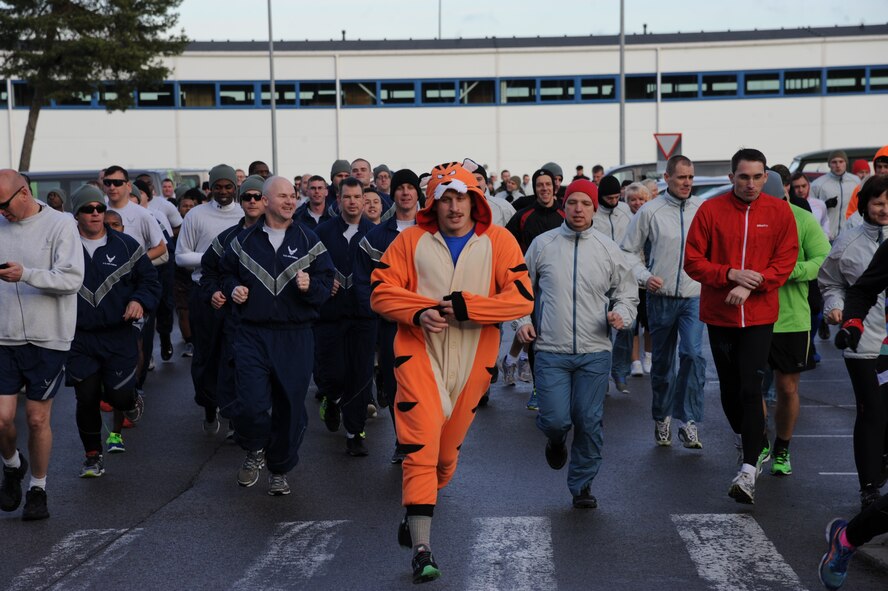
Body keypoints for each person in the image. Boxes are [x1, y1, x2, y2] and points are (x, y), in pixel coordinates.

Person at [370, 162, 533, 584]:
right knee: (420, 445)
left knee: (444, 458)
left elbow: (521, 299)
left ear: (475, 200)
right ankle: (422, 547)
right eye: (446, 198)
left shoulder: (499, 241)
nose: (455, 206)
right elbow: (381, 291)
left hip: (473, 361)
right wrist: (419, 311)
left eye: (462, 197)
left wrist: (468, 307)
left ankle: (417, 509)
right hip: (417, 354)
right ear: (434, 203)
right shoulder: (411, 241)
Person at [684, 148, 798, 505]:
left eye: (757, 176)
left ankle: (749, 469)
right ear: (731, 177)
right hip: (720, 315)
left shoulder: (779, 211)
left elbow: (786, 258)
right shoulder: (711, 210)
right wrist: (729, 274)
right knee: (731, 393)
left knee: (752, 387)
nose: (751, 184)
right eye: (744, 177)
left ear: (766, 177)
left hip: (760, 316)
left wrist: (752, 282)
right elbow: (693, 261)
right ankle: (753, 440)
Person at [517, 179, 637, 508]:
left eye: (586, 203)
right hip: (550, 351)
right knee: (556, 420)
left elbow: (627, 294)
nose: (579, 209)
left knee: (588, 419)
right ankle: (556, 441)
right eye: (573, 203)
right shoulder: (543, 245)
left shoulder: (608, 249)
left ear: (594, 208)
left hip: (595, 351)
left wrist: (621, 315)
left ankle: (582, 484)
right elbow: (521, 290)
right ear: (564, 206)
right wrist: (523, 322)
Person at [220, 176, 333, 496]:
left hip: (295, 335)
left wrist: (312, 287)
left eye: (292, 195)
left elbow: (327, 282)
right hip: (252, 334)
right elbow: (224, 273)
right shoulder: (243, 242)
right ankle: (255, 447)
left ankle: (280, 467)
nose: (289, 200)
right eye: (282, 195)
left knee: (291, 408)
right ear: (266, 201)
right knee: (251, 404)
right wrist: (232, 289)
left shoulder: (310, 241)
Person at [0, 170, 84, 520]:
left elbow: (72, 279)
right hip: (3, 336)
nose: (1, 212)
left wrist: (27, 274)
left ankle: (38, 488)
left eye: (3, 205)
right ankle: (11, 465)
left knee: (36, 419)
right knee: (2, 419)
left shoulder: (61, 224)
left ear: (23, 193)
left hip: (48, 338)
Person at [67, 185, 160, 476]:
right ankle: (92, 456)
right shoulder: (63, 246)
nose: (95, 214)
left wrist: (138, 300)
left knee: (118, 397)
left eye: (99, 208)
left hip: (118, 333)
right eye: (87, 209)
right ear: (77, 214)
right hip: (79, 336)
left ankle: (131, 402)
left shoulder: (126, 245)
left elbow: (150, 282)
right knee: (87, 397)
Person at [621, 155, 707, 448]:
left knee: (693, 355)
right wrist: (645, 277)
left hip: (694, 297)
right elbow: (628, 251)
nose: (687, 183)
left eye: (691, 178)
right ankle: (662, 418)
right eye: (682, 177)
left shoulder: (702, 209)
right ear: (667, 178)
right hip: (661, 297)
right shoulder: (650, 211)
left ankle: (690, 421)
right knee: (662, 363)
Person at [819, 174, 888, 509]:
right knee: (872, 411)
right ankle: (870, 487)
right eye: (878, 203)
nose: (885, 209)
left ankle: (882, 464)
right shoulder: (847, 243)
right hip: (863, 341)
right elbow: (830, 283)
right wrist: (836, 309)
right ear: (864, 205)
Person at [761, 181, 830, 477]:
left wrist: (790, 272)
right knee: (750, 388)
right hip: (752, 316)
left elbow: (822, 258)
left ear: (784, 195)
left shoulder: (801, 219)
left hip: (791, 318)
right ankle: (759, 441)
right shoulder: (747, 218)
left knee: (787, 388)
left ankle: (782, 448)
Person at [354, 169, 422, 463]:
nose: (405, 192)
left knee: (426, 386)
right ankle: (403, 441)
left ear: (418, 192)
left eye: (410, 187)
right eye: (400, 188)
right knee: (396, 386)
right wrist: (377, 310)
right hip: (391, 326)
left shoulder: (433, 229)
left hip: (430, 324)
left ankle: (425, 439)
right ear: (392, 194)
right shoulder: (377, 236)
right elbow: (362, 281)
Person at [175, 164, 244, 433]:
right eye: (219, 186)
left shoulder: (243, 213)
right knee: (206, 356)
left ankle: (233, 414)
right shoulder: (196, 215)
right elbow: (181, 256)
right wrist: (215, 259)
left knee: (236, 356)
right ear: (210, 188)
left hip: (237, 296)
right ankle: (208, 405)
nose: (224, 192)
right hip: (204, 294)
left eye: (228, 187)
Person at [313, 177, 377, 455]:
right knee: (333, 373)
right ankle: (331, 397)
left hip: (364, 315)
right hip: (330, 315)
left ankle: (355, 432)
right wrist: (324, 283)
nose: (352, 202)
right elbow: (308, 267)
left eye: (357, 197)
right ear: (337, 200)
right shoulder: (322, 232)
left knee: (361, 374)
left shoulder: (375, 233)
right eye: (346, 197)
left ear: (365, 200)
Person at [197, 175, 266, 435]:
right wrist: (213, 292)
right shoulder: (227, 239)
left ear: (266, 200)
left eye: (257, 196)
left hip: (273, 322)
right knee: (236, 369)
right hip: (235, 321)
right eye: (246, 196)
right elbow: (208, 272)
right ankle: (239, 421)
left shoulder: (284, 235)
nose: (251, 201)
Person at [503, 168, 566, 408]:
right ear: (535, 188)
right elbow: (505, 242)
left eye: (548, 184)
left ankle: (560, 387)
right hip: (533, 286)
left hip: (561, 284)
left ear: (555, 186)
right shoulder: (524, 215)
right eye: (540, 185)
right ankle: (539, 388)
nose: (544, 188)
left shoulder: (564, 212)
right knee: (535, 337)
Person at [624, 182, 654, 375]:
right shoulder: (625, 221)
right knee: (632, 325)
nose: (637, 203)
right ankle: (635, 361)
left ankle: (648, 356)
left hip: (650, 280)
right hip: (630, 281)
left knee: (649, 322)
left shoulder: (653, 219)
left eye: (641, 199)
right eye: (633, 199)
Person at [811, 150, 860, 241]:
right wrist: (824, 205)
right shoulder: (817, 184)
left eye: (841, 161)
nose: (838, 165)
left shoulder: (856, 182)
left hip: (849, 235)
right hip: (827, 237)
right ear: (829, 164)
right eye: (834, 162)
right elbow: (810, 209)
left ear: (846, 163)